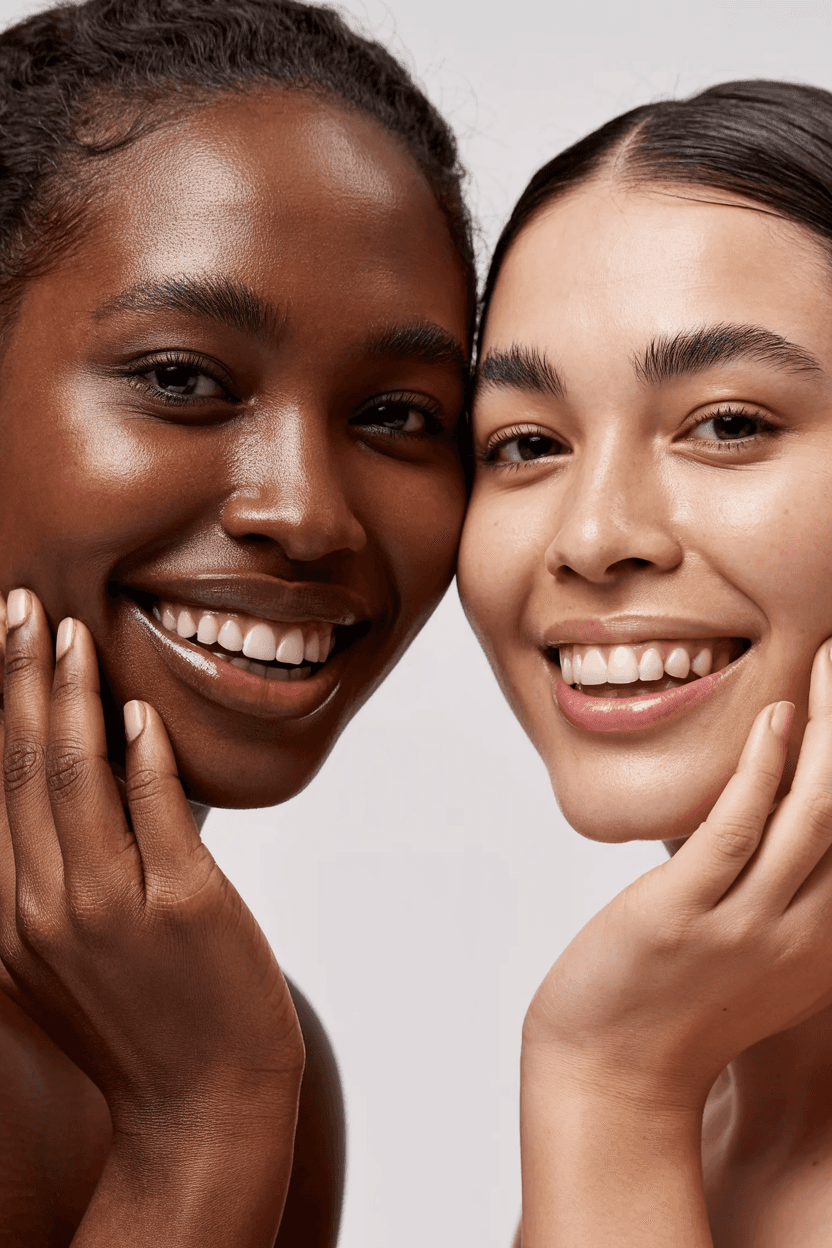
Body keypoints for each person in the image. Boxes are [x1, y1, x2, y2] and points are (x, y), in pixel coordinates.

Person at [0, 0, 475, 1243]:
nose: (308, 513)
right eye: (180, 379)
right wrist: (197, 1126)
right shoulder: (228, 1061)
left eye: (400, 415)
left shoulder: (240, 1036)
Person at [458, 79, 832, 1246]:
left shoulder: (628, 1083)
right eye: (526, 443)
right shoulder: (695, 1106)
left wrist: (605, 1080)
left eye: (727, 423)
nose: (590, 534)